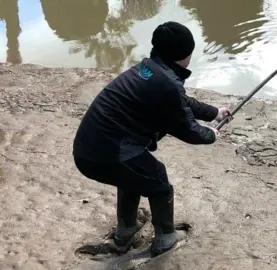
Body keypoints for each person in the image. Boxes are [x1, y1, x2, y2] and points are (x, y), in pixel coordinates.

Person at [72, 21, 232, 257]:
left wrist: (214, 113)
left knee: (134, 177)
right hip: (105, 153)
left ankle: (126, 230)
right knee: (159, 184)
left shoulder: (149, 69)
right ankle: (165, 239)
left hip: (91, 146)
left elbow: (181, 103)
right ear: (183, 55)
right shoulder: (166, 83)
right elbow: (186, 128)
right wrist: (211, 135)